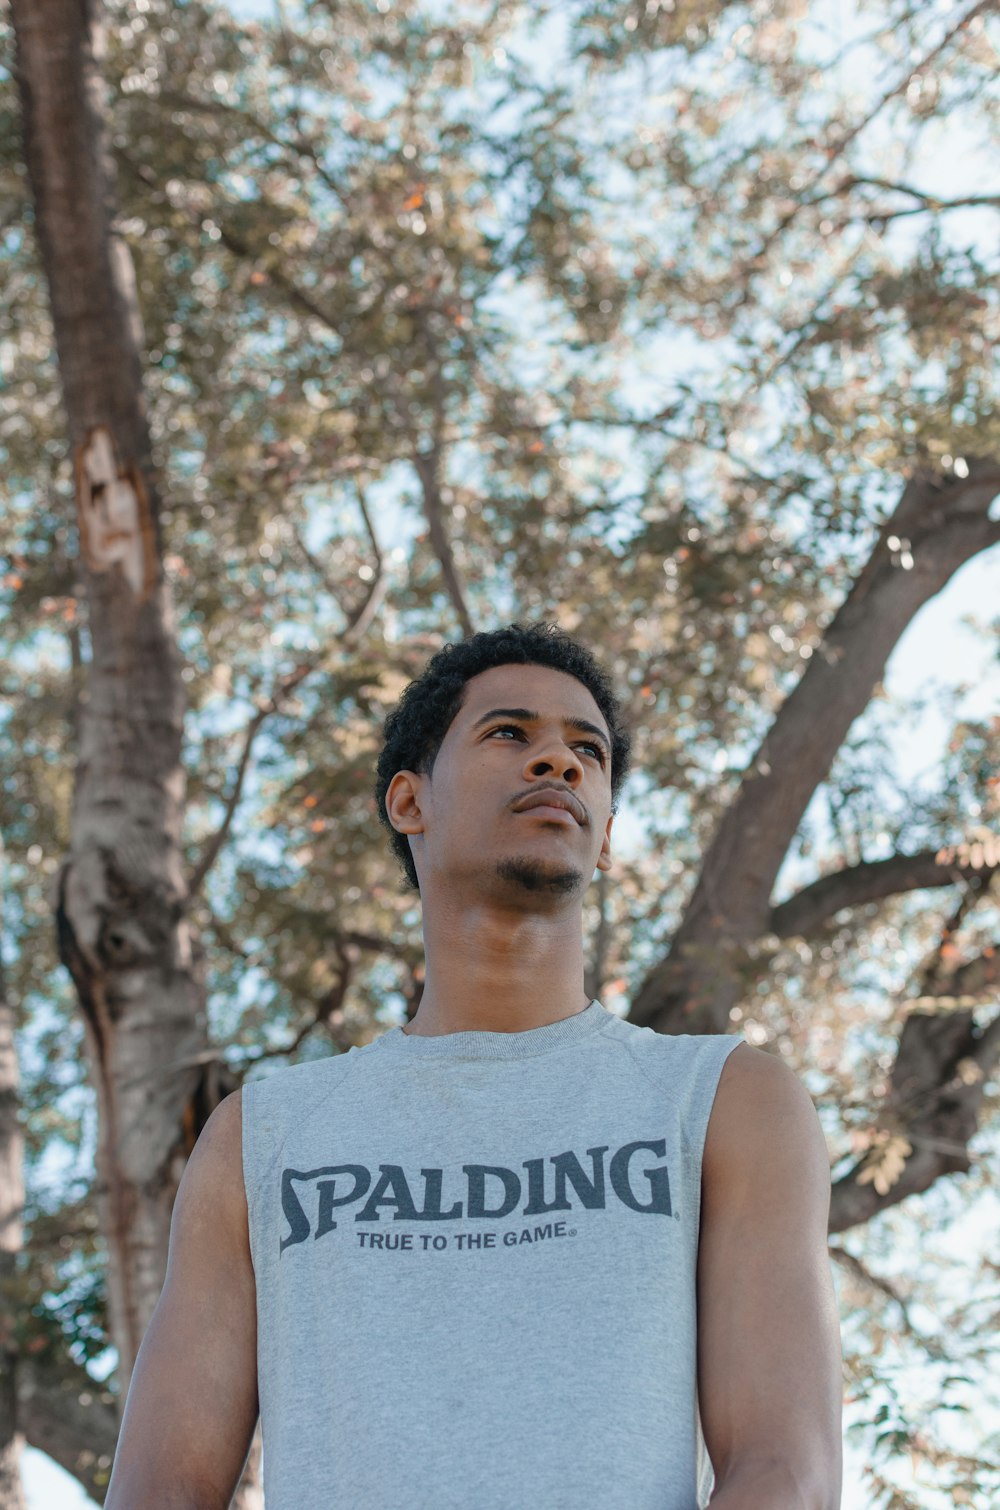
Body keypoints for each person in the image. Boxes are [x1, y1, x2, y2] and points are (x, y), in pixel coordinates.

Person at [106, 621, 842, 1509]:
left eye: (588, 752)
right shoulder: (260, 1139)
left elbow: (785, 1470)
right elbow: (159, 1491)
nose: (560, 764)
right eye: (510, 733)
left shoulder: (725, 1100)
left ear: (605, 838)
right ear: (408, 801)